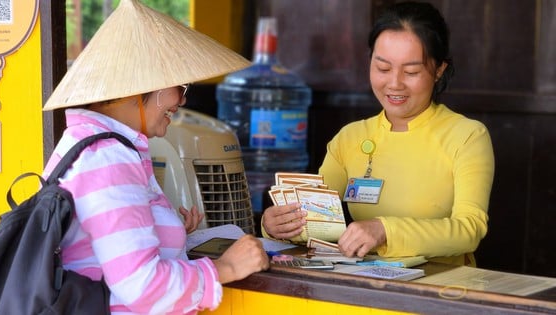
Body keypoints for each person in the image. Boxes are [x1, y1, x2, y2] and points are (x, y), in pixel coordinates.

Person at [42, 1, 269, 314]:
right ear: (145, 86)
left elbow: (106, 249)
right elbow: (142, 286)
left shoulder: (92, 144)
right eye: (180, 85)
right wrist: (225, 267)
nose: (183, 98)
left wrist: (168, 229)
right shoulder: (108, 158)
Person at [261, 1, 494, 267]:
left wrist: (385, 229)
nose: (394, 83)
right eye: (383, 68)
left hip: (442, 290)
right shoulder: (350, 138)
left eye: (411, 71)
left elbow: (469, 230)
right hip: (363, 285)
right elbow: (313, 217)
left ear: (439, 69)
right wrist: (275, 224)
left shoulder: (466, 136)